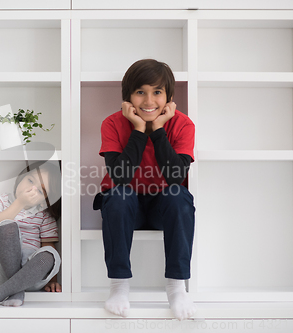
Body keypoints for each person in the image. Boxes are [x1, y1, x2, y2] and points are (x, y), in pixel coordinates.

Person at [92, 59, 197, 320]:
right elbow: (120, 176)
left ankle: (176, 287)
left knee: (179, 195)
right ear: (128, 97)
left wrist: (158, 129)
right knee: (119, 195)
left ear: (169, 97)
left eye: (157, 92)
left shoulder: (183, 124)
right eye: (140, 92)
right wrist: (140, 130)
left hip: (164, 207)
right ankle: (118, 286)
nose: (149, 101)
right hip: (127, 206)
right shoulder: (113, 123)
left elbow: (175, 177)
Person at [0, 161, 62, 307]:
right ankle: (13, 291)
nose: (31, 189)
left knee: (50, 253)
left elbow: (48, 246)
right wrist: (20, 203)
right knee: (7, 227)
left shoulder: (44, 215)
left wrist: (52, 280)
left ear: (45, 201)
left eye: (40, 191)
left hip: (30, 274)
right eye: (30, 180)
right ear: (21, 178)